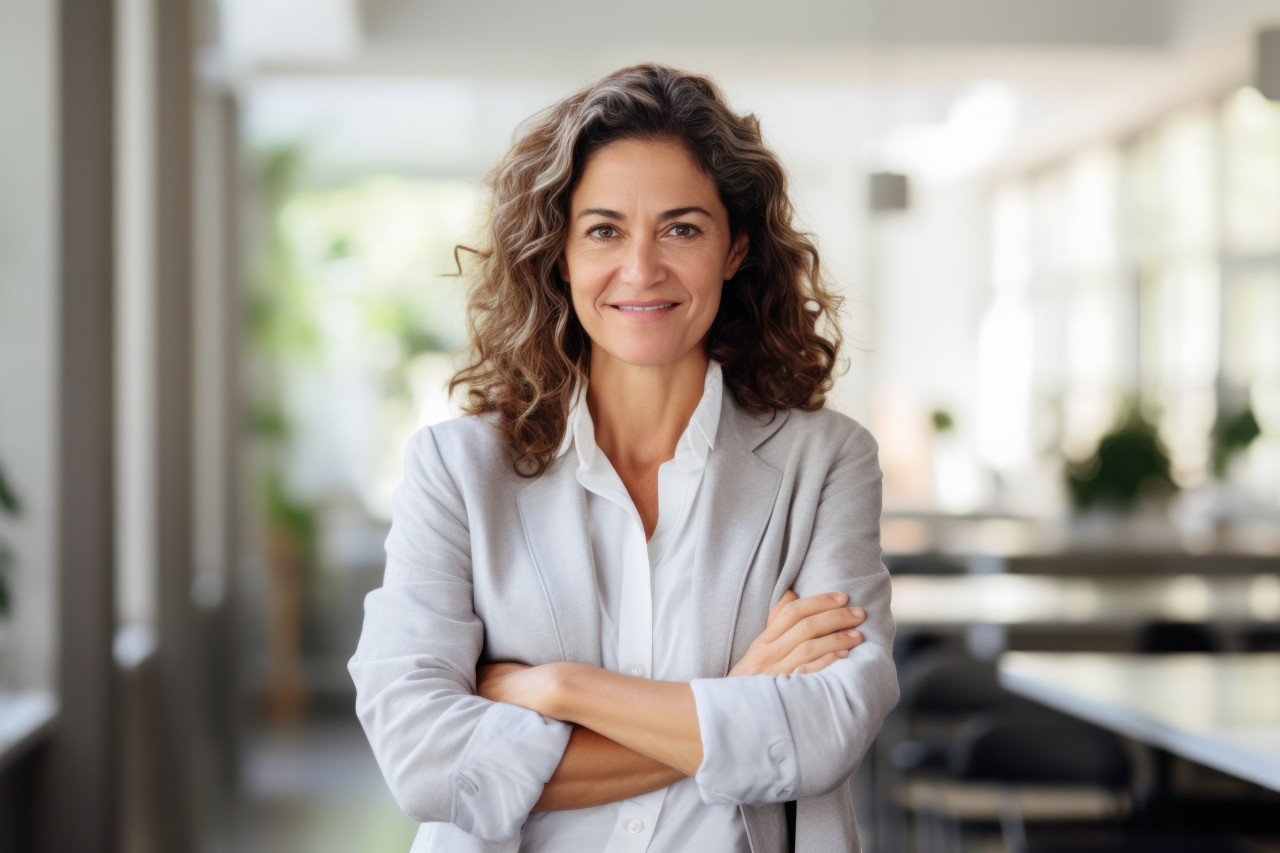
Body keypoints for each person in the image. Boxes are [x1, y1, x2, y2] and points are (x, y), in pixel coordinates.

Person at [349, 64, 899, 853]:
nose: (642, 269)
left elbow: (825, 731)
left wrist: (561, 688)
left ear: (735, 247)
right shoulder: (456, 469)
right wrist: (738, 700)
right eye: (605, 229)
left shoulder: (829, 462)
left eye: (682, 228)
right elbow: (426, 760)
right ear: (561, 254)